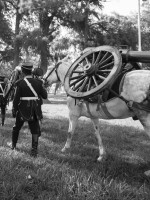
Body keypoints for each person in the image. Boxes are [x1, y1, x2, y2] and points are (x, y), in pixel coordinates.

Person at [9, 61, 47, 157]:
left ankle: (13, 145)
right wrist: (41, 85)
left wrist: (14, 109)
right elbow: (45, 96)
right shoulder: (39, 82)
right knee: (35, 130)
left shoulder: (20, 83)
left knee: (16, 127)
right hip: (35, 109)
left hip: (22, 109)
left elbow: (16, 99)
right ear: (32, 71)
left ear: (22, 71)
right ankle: (34, 151)